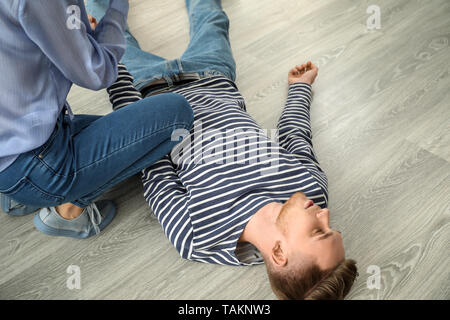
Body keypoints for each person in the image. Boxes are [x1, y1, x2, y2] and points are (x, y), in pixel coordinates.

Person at [91, 0, 358, 300]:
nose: (326, 214)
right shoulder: (312, 191)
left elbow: (148, 157)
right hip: (213, 74)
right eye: (331, 227)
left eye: (318, 231)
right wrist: (300, 88)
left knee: (107, 30)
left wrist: (112, 71)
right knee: (211, 15)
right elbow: (295, 136)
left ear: (279, 251)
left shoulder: (197, 236)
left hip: (146, 88)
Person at [0, 0, 194, 238]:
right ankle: (68, 212)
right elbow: (97, 73)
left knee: (130, 133)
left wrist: (73, 34)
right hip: (37, 164)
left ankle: (16, 198)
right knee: (175, 115)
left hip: (10, 148)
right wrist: (117, 10)